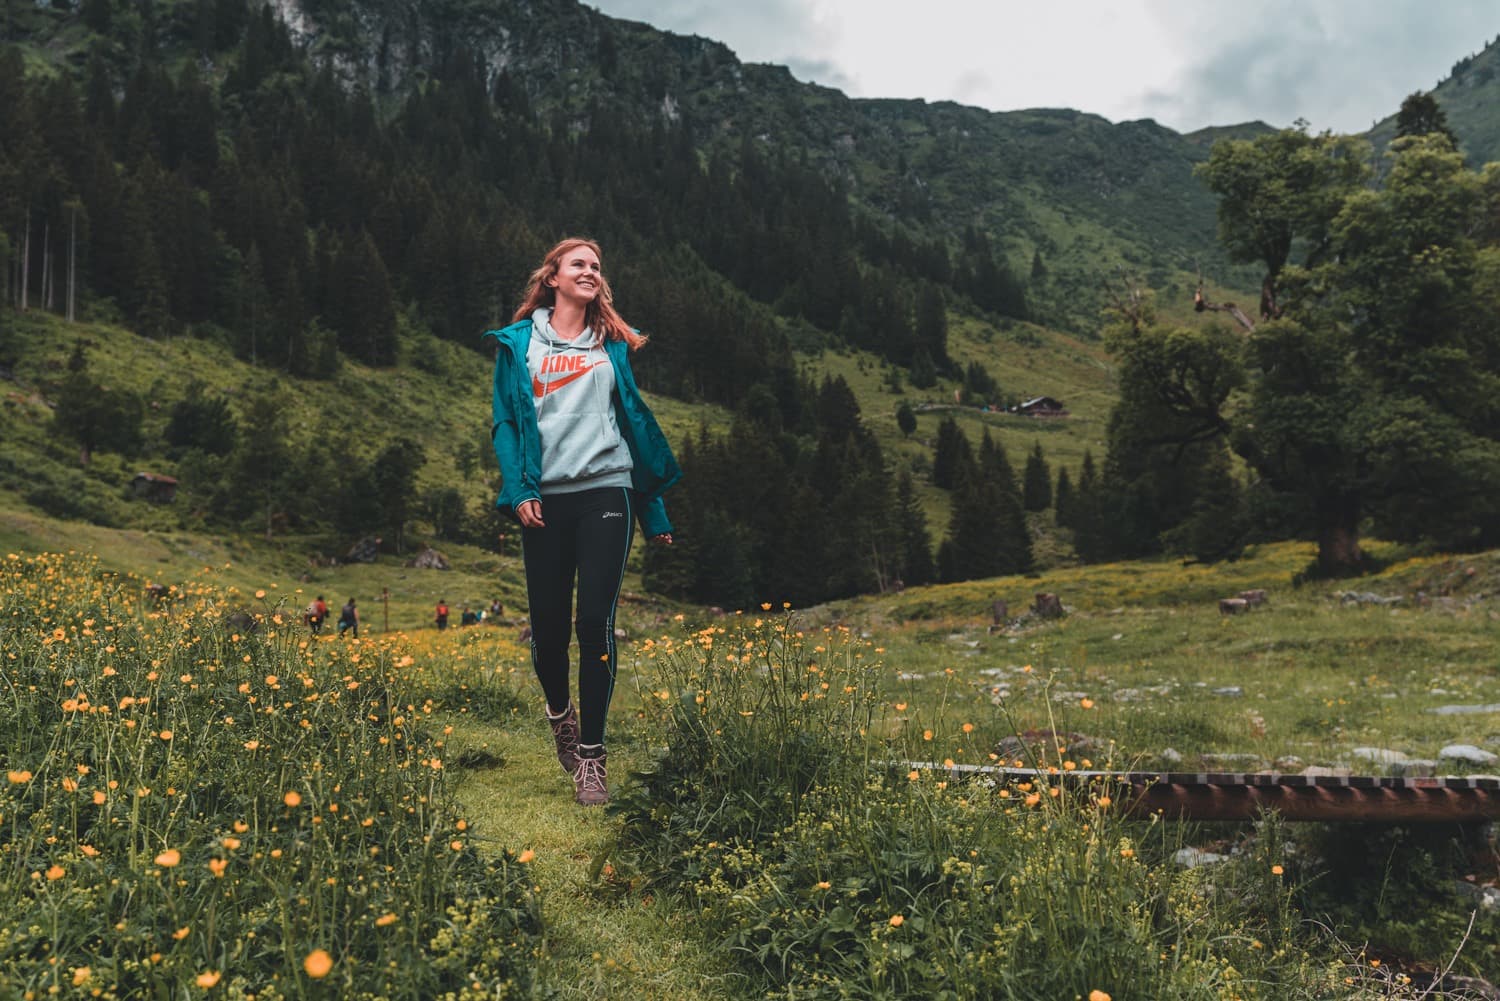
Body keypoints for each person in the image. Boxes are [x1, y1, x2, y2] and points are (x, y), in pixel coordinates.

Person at [483, 237, 681, 806]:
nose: (590, 272)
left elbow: (634, 424)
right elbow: (506, 425)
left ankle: (591, 758)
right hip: (544, 499)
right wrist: (518, 491)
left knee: (595, 622)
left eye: (597, 266)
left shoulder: (610, 343)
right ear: (553, 278)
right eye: (579, 265)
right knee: (548, 631)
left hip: (607, 491)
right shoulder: (518, 343)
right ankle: (560, 715)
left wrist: (653, 507)